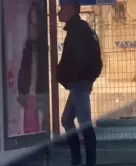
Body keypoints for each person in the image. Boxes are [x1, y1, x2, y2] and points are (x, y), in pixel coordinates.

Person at [58, 1, 102, 166]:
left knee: (84, 124)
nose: (59, 12)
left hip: (79, 83)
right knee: (67, 119)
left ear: (71, 10)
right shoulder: (79, 28)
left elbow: (78, 59)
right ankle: (76, 159)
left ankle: (89, 162)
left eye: (62, 8)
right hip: (79, 83)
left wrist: (70, 77)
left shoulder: (78, 30)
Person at [17, 2, 49, 134]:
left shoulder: (43, 48)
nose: (33, 27)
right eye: (31, 23)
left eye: (35, 24)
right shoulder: (27, 48)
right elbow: (23, 71)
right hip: (29, 93)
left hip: (41, 93)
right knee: (29, 126)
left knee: (44, 124)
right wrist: (22, 92)